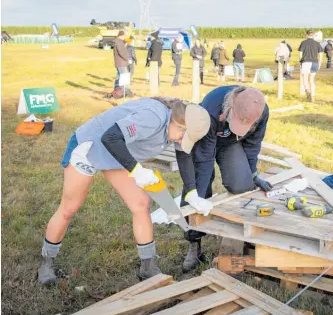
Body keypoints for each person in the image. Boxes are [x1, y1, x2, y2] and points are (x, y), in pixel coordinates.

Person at [37, 97, 211, 285]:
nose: (180, 141)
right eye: (182, 136)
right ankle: (46, 263)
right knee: (69, 208)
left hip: (117, 153)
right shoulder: (152, 118)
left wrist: (191, 193)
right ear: (179, 124)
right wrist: (137, 171)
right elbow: (110, 137)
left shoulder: (175, 126)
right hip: (89, 146)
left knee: (141, 204)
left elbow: (183, 157)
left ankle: (148, 268)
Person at [171, 86, 271, 271]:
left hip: (230, 143)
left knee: (242, 184)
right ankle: (194, 243)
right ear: (230, 107)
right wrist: (197, 196)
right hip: (205, 138)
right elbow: (205, 160)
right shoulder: (211, 109)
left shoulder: (261, 111)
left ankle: (227, 229)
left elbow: (252, 144)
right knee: (199, 188)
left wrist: (253, 174)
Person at [298, 29, 323, 102]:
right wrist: (320, 64)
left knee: (305, 79)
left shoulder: (303, 43)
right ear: (313, 35)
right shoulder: (317, 43)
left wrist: (301, 62)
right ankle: (313, 95)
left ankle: (308, 92)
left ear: (306, 35)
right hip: (315, 62)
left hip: (306, 62)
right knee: (312, 80)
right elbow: (320, 55)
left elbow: (300, 54)